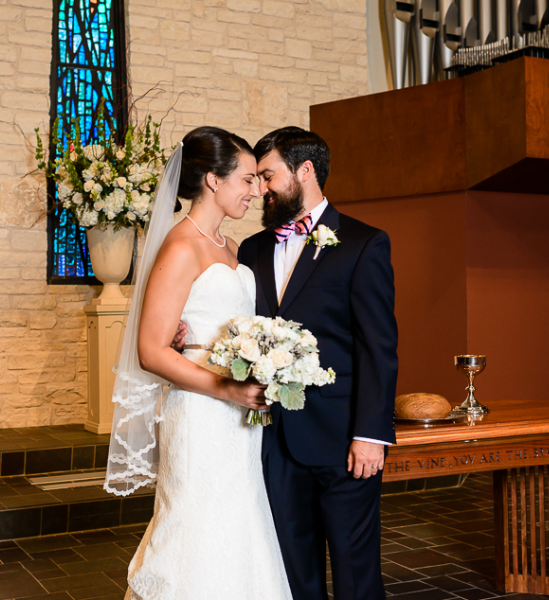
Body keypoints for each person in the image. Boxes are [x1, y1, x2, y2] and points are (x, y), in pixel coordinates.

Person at [104, 126, 293, 600]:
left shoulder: (232, 248)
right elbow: (151, 350)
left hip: (240, 422)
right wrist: (225, 388)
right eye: (247, 179)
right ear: (213, 179)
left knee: (238, 525)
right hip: (201, 415)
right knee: (195, 525)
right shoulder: (180, 246)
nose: (257, 190)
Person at [238, 127, 398, 600]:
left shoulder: (364, 244)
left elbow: (378, 347)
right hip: (273, 439)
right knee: (293, 573)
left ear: (305, 171)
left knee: (355, 575)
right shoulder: (251, 250)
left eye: (268, 176)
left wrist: (370, 435)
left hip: (343, 440)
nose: (261, 188)